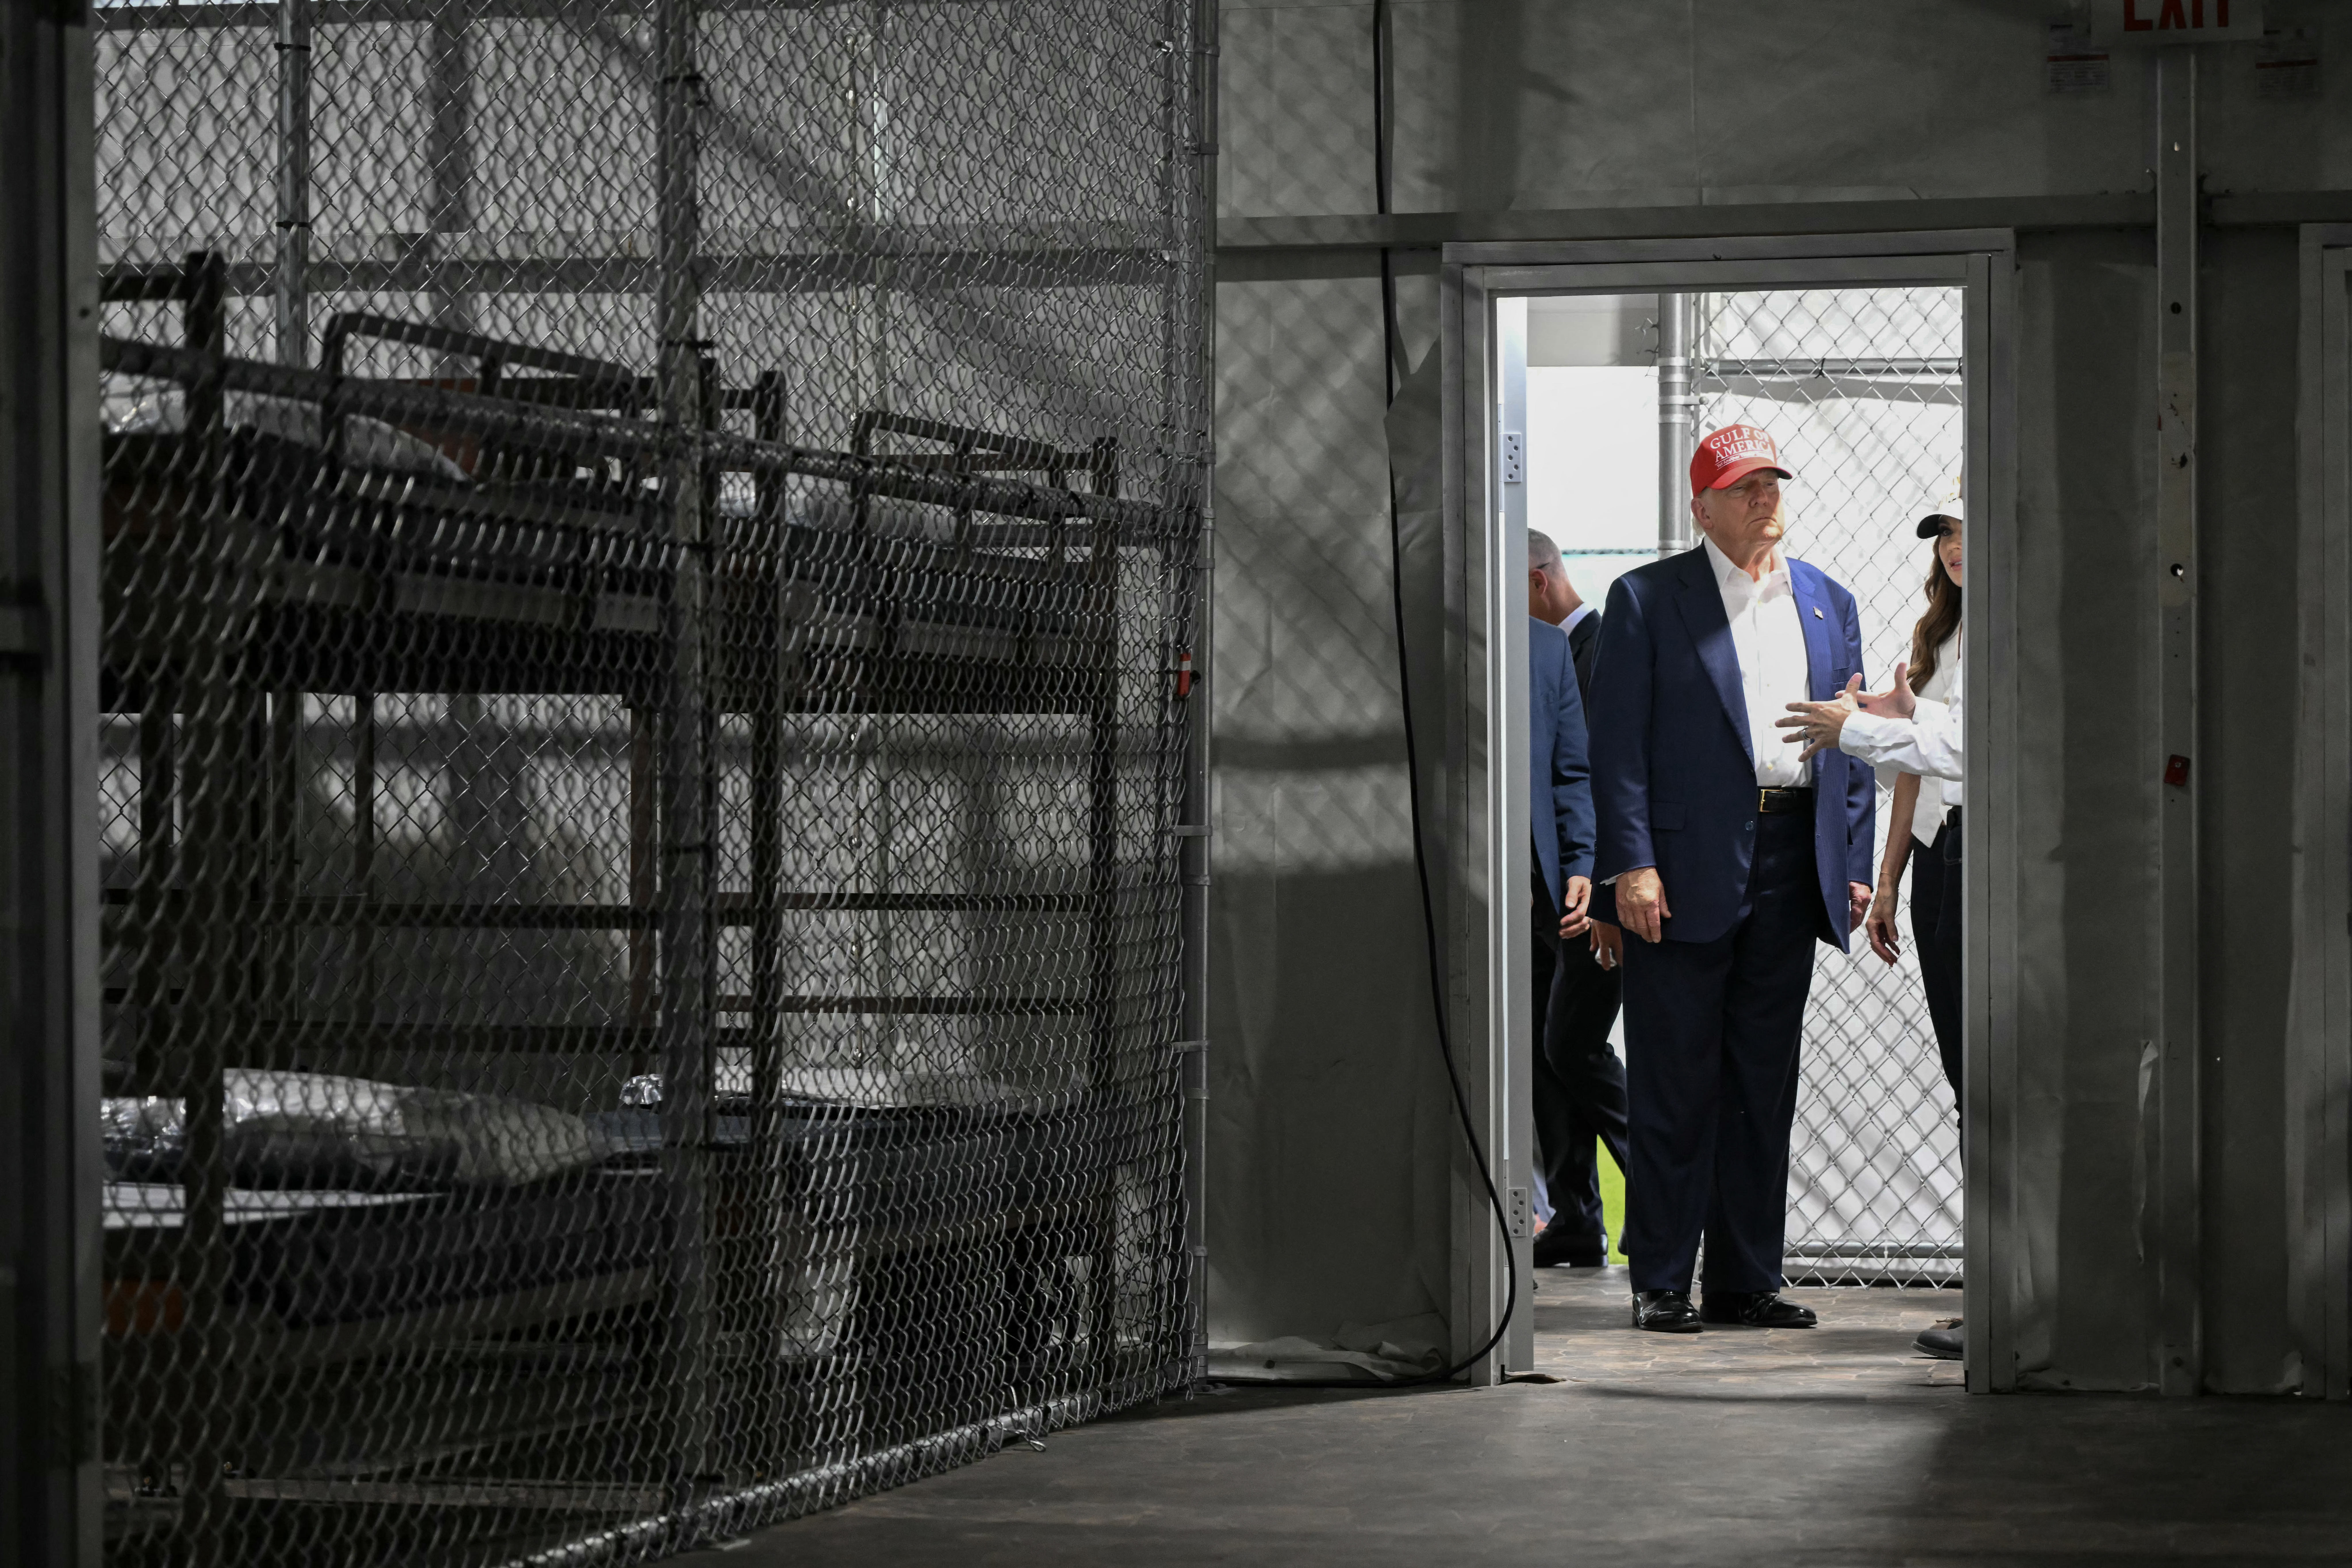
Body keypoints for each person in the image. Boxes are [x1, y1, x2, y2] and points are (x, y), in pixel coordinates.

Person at [1585, 424, 1875, 1334]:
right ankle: (1662, 1279)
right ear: (1702, 503)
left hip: (1792, 860)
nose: (1765, 498)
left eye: (1773, 481)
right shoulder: (1645, 599)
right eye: (1745, 485)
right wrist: (1629, 863)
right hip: (1676, 869)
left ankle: (1746, 1279)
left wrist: (1855, 862)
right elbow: (1617, 747)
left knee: (1762, 1082)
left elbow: (1853, 744)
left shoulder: (1828, 601)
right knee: (1675, 1080)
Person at [1778, 491, 1967, 1364]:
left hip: (1984, 859)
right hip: (1939, 862)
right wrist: (1888, 879)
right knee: (1968, 1076)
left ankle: (2005, 1291)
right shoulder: (1939, 639)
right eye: (1945, 539)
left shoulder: (2016, 628)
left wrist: (1857, 728)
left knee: (1989, 1078)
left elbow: (1967, 749)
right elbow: (1914, 774)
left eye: (1968, 535)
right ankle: (1994, 1288)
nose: (1956, 552)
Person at [1526, 531, 1629, 1267]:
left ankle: (1659, 1182)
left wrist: (1599, 876)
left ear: (1535, 582)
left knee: (1573, 1044)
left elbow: (1600, 775)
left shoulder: (1602, 649)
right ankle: (1573, 1214)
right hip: (1545, 887)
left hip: (1592, 890)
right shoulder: (1543, 651)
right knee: (1549, 1053)